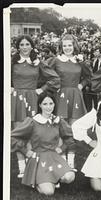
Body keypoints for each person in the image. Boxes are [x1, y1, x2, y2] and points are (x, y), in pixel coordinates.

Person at [11, 35, 60, 178]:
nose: (25, 47)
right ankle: (22, 166)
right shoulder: (12, 62)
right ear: (18, 47)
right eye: (22, 44)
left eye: (27, 44)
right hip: (16, 99)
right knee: (19, 133)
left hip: (32, 98)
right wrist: (9, 86)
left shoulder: (38, 62)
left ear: (32, 46)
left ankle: (32, 164)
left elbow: (55, 78)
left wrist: (42, 89)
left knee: (33, 133)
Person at [11, 92, 76, 196]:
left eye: (51, 103)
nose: (48, 107)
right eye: (45, 104)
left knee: (70, 177)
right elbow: (12, 137)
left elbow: (70, 136)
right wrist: (25, 151)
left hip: (54, 156)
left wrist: (62, 148)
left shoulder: (58, 121)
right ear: (40, 105)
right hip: (38, 158)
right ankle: (37, 181)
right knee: (48, 192)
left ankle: (53, 180)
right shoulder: (32, 121)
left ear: (54, 105)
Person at [48, 34, 92, 168]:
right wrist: (54, 86)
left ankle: (71, 160)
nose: (67, 48)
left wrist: (81, 85)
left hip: (75, 96)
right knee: (60, 129)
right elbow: (46, 74)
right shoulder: (56, 60)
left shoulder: (79, 61)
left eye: (70, 45)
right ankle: (61, 158)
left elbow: (88, 76)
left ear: (74, 46)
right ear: (61, 47)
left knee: (72, 130)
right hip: (60, 96)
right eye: (65, 45)